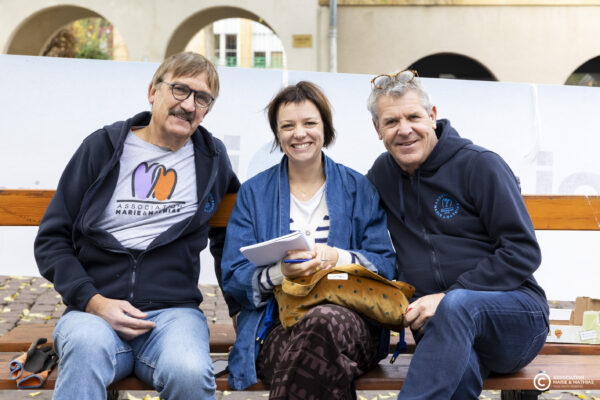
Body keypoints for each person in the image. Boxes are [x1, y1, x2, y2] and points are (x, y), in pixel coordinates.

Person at [34, 52, 239, 400]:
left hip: (173, 316)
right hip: (94, 312)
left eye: (202, 98)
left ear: (207, 110)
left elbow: (231, 239)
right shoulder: (102, 148)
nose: (189, 105)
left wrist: (239, 310)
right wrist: (94, 301)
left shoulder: (212, 159)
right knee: (85, 348)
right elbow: (52, 239)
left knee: (190, 371)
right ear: (152, 92)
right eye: (180, 90)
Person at [366, 70, 549, 399]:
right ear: (377, 129)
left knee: (457, 305)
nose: (404, 130)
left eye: (413, 117)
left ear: (432, 116)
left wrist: (447, 296)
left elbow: (523, 251)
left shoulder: (480, 165)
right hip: (438, 327)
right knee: (457, 375)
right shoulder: (382, 176)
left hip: (515, 318)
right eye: (391, 121)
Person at [221, 81, 396, 398]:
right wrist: (280, 273)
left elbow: (385, 264)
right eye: (287, 126)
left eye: (309, 123)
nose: (299, 133)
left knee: (322, 324)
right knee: (318, 358)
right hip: (276, 326)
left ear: (325, 128)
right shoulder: (254, 193)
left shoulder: (358, 188)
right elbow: (233, 277)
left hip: (351, 323)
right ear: (277, 133)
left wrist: (336, 258)